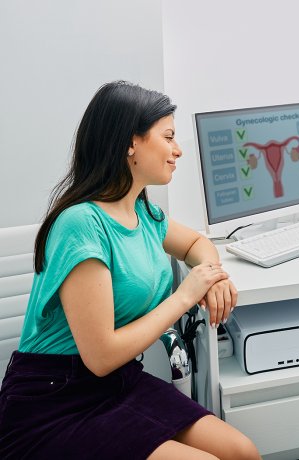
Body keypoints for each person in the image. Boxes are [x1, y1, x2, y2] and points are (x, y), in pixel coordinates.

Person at [0, 81, 261, 460]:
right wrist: (186, 294)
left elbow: (196, 244)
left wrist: (212, 273)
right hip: (55, 400)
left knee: (242, 452)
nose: (178, 150)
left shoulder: (143, 213)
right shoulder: (82, 224)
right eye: (168, 137)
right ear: (130, 143)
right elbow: (101, 355)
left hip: (116, 383)